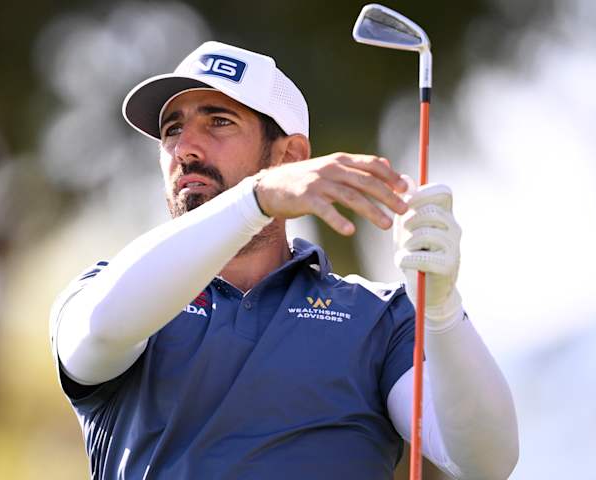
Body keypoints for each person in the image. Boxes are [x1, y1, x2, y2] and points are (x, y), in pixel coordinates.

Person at [50, 41, 518, 480]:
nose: (185, 148)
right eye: (173, 130)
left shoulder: (379, 316)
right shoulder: (112, 291)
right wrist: (258, 197)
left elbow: (485, 460)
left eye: (218, 121)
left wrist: (439, 311)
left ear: (289, 155)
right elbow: (102, 328)